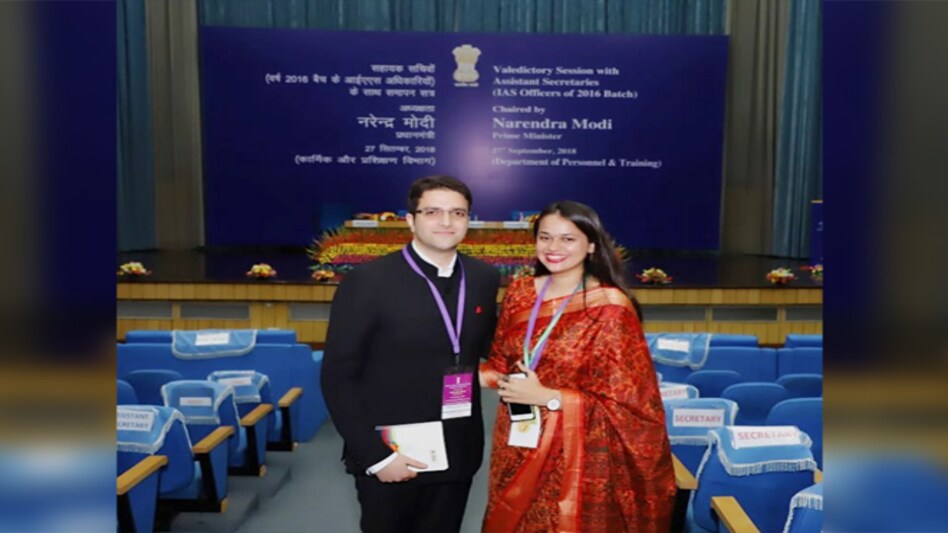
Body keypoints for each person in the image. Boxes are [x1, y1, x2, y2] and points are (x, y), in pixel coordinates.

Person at [480, 201, 675, 532]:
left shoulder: (610, 309)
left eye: (568, 239)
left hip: (575, 454)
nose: (554, 248)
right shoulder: (520, 292)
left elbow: (632, 408)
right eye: (545, 237)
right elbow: (502, 361)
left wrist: (551, 397)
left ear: (591, 246)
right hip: (515, 437)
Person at [322, 175, 500, 533]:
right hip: (391, 449)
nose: (446, 222)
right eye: (433, 211)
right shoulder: (368, 281)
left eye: (458, 213)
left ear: (469, 220)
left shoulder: (482, 277)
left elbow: (489, 346)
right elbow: (338, 377)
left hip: (458, 448)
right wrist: (376, 457)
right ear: (411, 219)